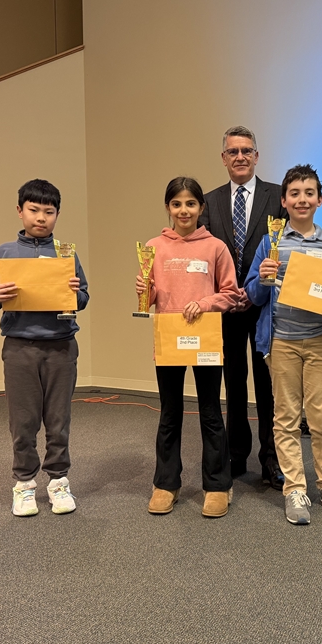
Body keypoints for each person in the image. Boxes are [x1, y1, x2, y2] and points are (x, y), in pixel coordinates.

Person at [245, 164, 322, 525]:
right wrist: (262, 279)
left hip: (320, 341)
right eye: (294, 193)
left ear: (320, 200)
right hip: (282, 341)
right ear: (283, 201)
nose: (302, 199)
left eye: (309, 193)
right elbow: (253, 295)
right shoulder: (271, 242)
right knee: (285, 417)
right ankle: (294, 488)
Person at [0, 179, 90, 517]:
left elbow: (83, 297)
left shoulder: (66, 253)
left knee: (58, 420)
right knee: (23, 421)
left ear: (57, 215)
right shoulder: (5, 252)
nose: (41, 217)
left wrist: (75, 292)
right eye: (34, 210)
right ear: (20, 211)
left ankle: (58, 482)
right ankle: (24, 484)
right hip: (20, 349)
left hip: (61, 348)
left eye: (49, 211)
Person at [136, 177, 239, 518]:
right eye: (177, 204)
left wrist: (205, 303)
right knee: (170, 412)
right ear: (168, 208)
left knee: (210, 412)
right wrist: (145, 290)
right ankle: (166, 484)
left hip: (205, 339)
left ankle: (217, 485)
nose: (184, 210)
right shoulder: (154, 247)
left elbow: (231, 293)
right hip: (169, 339)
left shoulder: (215, 247)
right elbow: (151, 298)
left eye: (190, 204)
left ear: (201, 208)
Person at [200, 126, 288, 488]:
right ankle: (237, 454)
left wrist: (253, 291)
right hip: (227, 309)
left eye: (246, 151)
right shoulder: (209, 201)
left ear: (256, 156)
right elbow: (204, 254)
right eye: (233, 151)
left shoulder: (278, 196)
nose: (240, 157)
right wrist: (227, 294)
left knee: (269, 386)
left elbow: (289, 247)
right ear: (223, 158)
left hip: (266, 307)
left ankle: (272, 459)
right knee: (233, 384)